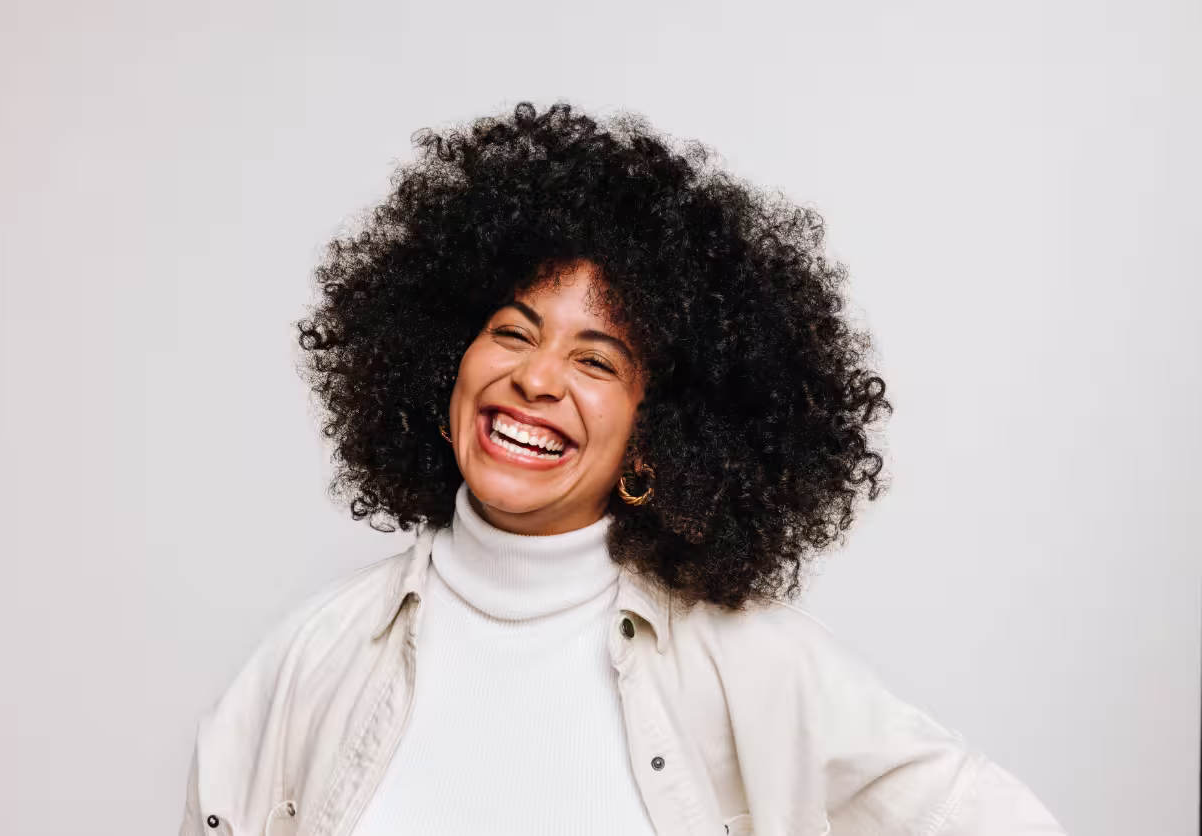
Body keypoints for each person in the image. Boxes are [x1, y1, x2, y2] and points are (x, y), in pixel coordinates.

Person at [177, 102, 1065, 836]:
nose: (535, 376)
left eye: (596, 362)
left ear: (656, 436)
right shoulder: (311, 659)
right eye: (513, 332)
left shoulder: (753, 667)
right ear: (445, 360)